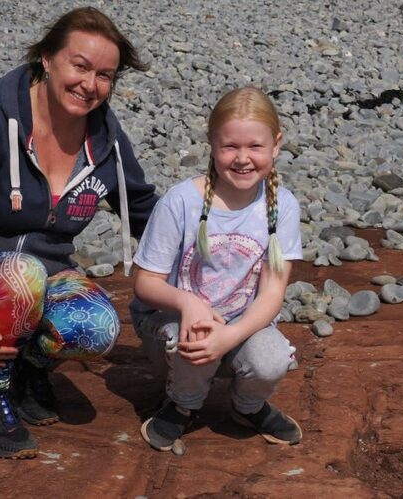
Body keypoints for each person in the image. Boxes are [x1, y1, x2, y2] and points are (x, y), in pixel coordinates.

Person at [0, 7, 158, 459]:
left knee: (96, 326)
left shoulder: (105, 139)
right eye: (80, 66)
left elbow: (142, 208)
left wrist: (208, 249)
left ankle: (29, 366)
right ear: (47, 58)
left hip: (40, 276)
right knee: (21, 275)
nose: (90, 84)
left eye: (105, 75)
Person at [130, 87, 303, 451]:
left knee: (274, 358)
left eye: (255, 147)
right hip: (173, 322)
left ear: (276, 145)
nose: (242, 159)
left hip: (241, 321)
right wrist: (188, 303)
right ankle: (183, 403)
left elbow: (272, 293)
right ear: (212, 143)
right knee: (192, 335)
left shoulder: (282, 207)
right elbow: (144, 282)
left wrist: (231, 335)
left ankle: (248, 405)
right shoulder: (181, 201)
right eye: (230, 147)